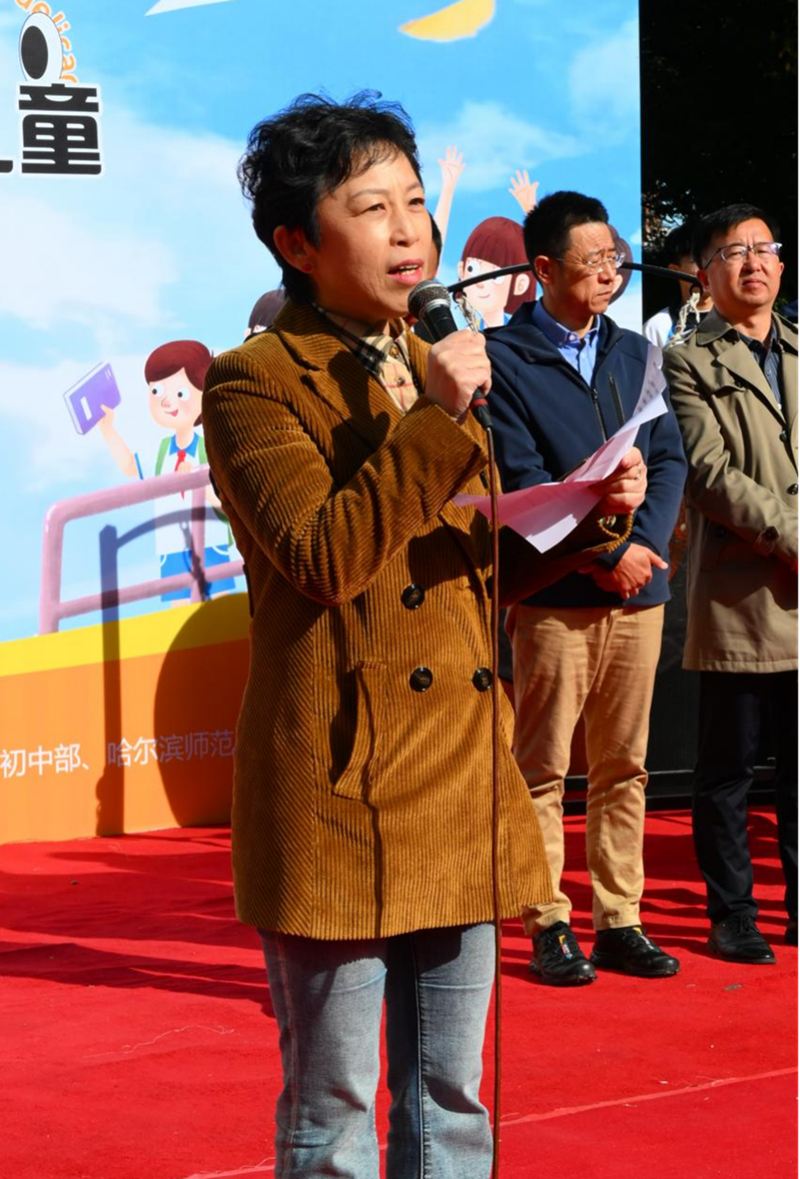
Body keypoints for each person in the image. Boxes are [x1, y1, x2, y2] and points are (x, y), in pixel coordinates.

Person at [201, 94, 646, 1178]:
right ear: (297, 243)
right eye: (371, 209)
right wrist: (437, 419)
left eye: (414, 202)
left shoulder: (434, 354)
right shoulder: (253, 382)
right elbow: (324, 557)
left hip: (457, 774)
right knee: (334, 1111)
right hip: (339, 784)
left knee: (451, 1101)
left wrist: (592, 517)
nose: (409, 231)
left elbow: (467, 568)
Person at [487, 191, 688, 987]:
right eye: (594, 259)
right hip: (556, 594)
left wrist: (643, 547)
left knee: (624, 766)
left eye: (615, 258)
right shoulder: (503, 359)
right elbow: (523, 478)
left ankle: (620, 919)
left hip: (638, 596)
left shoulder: (638, 352)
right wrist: (607, 551)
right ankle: (546, 922)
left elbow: (667, 458)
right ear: (543, 268)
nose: (610, 272)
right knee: (540, 767)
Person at [663, 203, 799, 964]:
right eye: (734, 252)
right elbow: (711, 476)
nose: (753, 262)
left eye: (764, 248)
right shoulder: (686, 360)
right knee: (729, 769)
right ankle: (733, 913)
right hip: (742, 593)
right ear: (704, 275)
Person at [99, 339, 236, 603]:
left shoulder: (210, 447)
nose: (166, 402)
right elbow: (130, 466)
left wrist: (200, 483)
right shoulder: (161, 452)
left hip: (210, 544)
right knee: (179, 611)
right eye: (156, 391)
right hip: (171, 547)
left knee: (220, 608)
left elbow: (225, 501)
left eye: (181, 393)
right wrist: (108, 429)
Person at [644, 220, 714, 348]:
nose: (707, 268)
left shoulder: (739, 317)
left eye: (712, 258)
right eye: (697, 260)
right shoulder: (657, 327)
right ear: (675, 270)